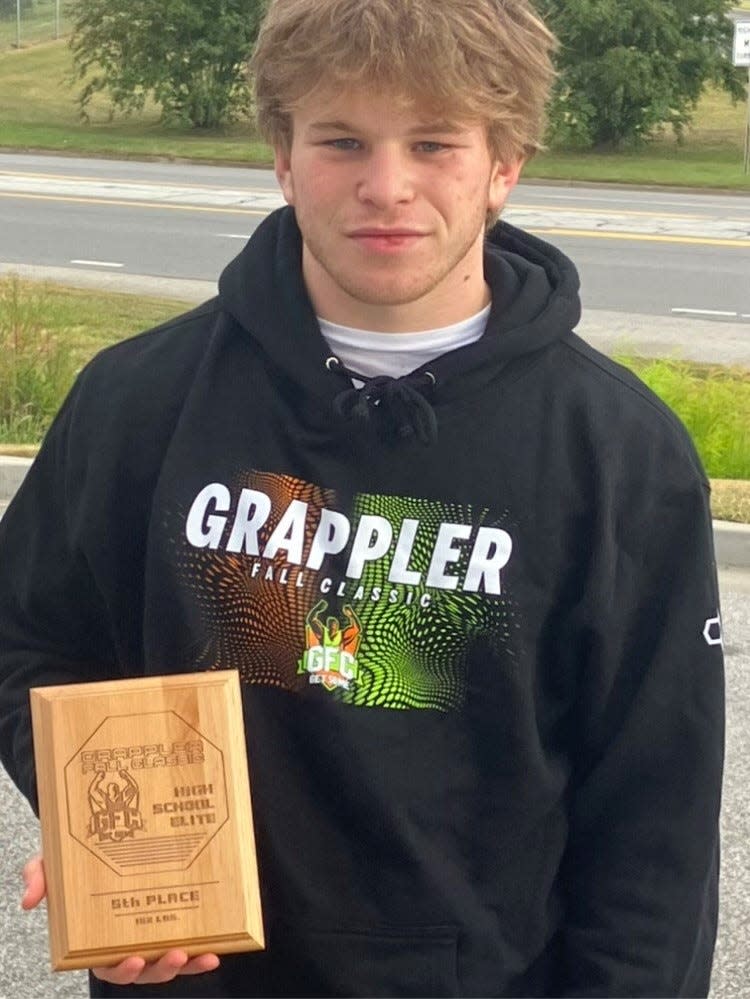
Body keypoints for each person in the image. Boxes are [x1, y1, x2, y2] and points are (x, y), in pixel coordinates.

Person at [0, 0, 725, 995]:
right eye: (343, 141)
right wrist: (96, 828)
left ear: (502, 165)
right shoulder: (141, 400)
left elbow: (657, 821)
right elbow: (29, 639)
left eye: (434, 143)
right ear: (284, 159)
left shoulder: (618, 453)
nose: (387, 187)